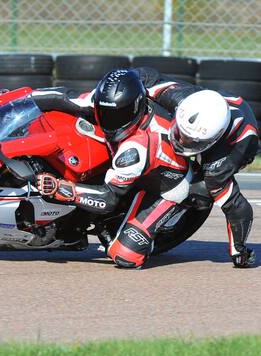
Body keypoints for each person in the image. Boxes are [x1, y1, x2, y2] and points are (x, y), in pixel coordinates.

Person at [31, 69, 192, 269]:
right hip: (130, 165)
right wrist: (15, 99)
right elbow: (61, 97)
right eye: (105, 113)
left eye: (119, 115)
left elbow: (107, 199)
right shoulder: (104, 103)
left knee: (125, 256)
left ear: (136, 108)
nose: (110, 121)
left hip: (166, 187)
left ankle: (145, 228)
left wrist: (61, 189)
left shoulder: (138, 147)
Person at [140, 68, 259, 268]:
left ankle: (169, 217)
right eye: (180, 133)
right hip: (206, 106)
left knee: (205, 189)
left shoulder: (223, 161)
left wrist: (239, 251)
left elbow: (238, 209)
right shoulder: (181, 99)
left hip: (234, 146)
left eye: (188, 140)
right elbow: (145, 77)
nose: (180, 141)